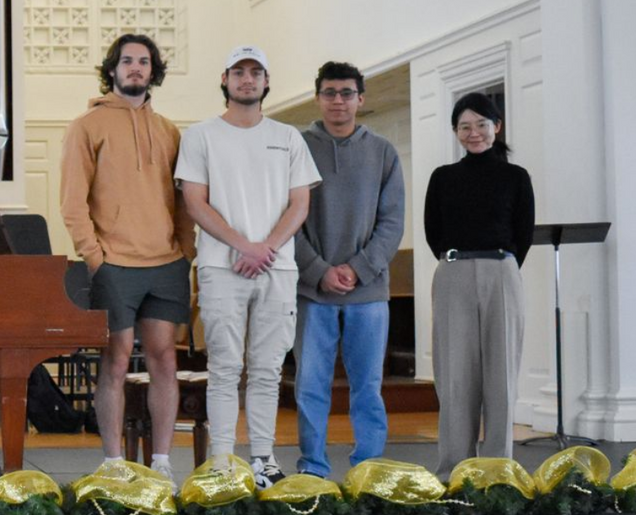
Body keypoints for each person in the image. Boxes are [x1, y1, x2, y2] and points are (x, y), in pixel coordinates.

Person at [176, 45, 320, 488]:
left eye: (255, 72)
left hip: (276, 269)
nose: (247, 79)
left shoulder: (289, 137)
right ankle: (222, 460)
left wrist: (267, 248)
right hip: (222, 266)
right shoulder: (200, 136)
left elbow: (301, 203)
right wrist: (243, 245)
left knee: (266, 369)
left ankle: (262, 458)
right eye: (238, 71)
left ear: (266, 82)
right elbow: (194, 202)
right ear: (224, 80)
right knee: (223, 367)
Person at [59, 33, 193, 483]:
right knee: (115, 361)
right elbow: (72, 203)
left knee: (164, 361)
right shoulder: (87, 126)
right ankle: (114, 462)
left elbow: (184, 202)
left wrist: (186, 252)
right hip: (114, 263)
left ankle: (161, 463)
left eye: (144, 62)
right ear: (112, 69)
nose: (136, 68)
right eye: (127, 61)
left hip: (166, 262)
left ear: (153, 71)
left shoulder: (170, 131)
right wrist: (95, 258)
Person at [292, 61, 406, 478]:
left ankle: (368, 468)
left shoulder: (383, 153)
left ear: (361, 98)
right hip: (312, 291)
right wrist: (318, 270)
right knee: (309, 387)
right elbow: (286, 219)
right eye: (329, 93)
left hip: (369, 292)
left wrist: (358, 269)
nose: (338, 101)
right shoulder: (297, 147)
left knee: (368, 388)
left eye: (346, 93)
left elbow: (392, 222)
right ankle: (313, 469)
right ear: (318, 97)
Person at [424, 91, 534, 475]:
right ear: (456, 132)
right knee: (455, 376)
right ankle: (454, 468)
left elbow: (523, 232)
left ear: (496, 127)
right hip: (454, 272)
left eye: (481, 125)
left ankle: (498, 468)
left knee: (501, 376)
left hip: (502, 272)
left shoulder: (516, 177)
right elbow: (433, 232)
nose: (474, 133)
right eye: (465, 126)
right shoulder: (443, 177)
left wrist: (495, 266)